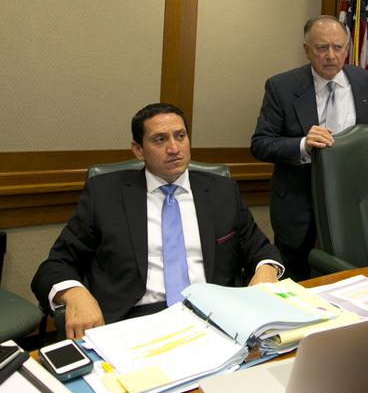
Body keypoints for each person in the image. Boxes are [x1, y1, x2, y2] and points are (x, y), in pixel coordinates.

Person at [32, 103, 284, 339]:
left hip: (215, 318)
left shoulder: (222, 191)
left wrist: (266, 270)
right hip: (133, 320)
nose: (174, 148)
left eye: (180, 136)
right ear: (138, 149)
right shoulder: (105, 195)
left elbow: (261, 248)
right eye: (160, 139)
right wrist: (76, 294)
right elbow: (55, 265)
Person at [251, 16, 368, 280]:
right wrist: (302, 144)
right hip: (300, 202)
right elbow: (260, 143)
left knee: (349, 274)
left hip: (353, 198)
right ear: (307, 50)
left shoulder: (362, 80)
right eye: (322, 48)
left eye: (338, 47)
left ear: (347, 49)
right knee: (296, 277)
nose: (331, 56)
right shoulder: (282, 87)